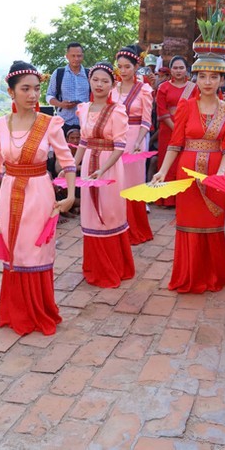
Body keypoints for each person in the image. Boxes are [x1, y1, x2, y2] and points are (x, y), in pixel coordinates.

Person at [0, 61, 76, 336]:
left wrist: (71, 195)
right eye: (25, 89)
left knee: (36, 250)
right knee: (15, 251)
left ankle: (40, 310)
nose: (33, 95)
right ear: (11, 92)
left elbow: (67, 161)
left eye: (37, 89)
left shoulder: (49, 124)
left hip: (39, 193)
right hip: (10, 191)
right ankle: (17, 311)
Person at [150, 31, 225, 294]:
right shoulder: (187, 106)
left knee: (212, 223)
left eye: (214, 76)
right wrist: (162, 172)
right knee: (187, 222)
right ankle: (187, 276)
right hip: (186, 171)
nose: (207, 81)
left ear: (222, 79)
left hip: (215, 172)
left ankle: (212, 275)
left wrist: (222, 173)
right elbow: (175, 143)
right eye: (202, 76)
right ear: (195, 78)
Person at [72, 62, 134, 287]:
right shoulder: (83, 108)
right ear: (89, 81)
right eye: (95, 80)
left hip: (110, 167)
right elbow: (83, 141)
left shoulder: (117, 110)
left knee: (109, 213)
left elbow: (119, 147)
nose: (99, 84)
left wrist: (104, 168)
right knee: (90, 213)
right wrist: (72, 166)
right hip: (90, 162)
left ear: (113, 84)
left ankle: (113, 266)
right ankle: (94, 266)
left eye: (105, 81)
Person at [112, 45, 154, 245]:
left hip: (136, 137)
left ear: (136, 66)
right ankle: (117, 225)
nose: (123, 70)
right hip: (115, 139)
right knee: (116, 180)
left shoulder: (144, 89)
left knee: (133, 182)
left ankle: (136, 227)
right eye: (120, 66)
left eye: (127, 66)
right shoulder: (113, 89)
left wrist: (139, 141)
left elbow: (146, 120)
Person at [155, 56, 194, 207]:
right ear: (170, 70)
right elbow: (162, 111)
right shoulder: (163, 87)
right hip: (168, 130)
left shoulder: (194, 88)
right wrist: (176, 128)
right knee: (167, 162)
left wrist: (184, 129)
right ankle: (168, 198)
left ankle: (183, 197)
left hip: (188, 129)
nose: (178, 71)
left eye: (181, 68)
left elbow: (196, 107)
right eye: (175, 68)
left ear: (186, 69)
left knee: (184, 163)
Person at [46, 42, 90, 135]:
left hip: (85, 122)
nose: (76, 59)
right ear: (67, 56)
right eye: (73, 56)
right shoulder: (59, 73)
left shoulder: (89, 74)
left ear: (83, 56)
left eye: (79, 56)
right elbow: (49, 96)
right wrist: (61, 104)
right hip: (63, 121)